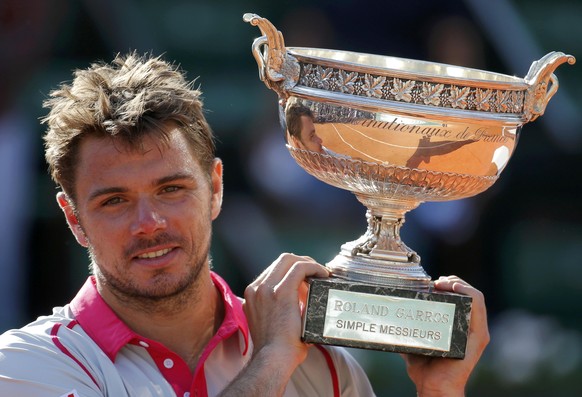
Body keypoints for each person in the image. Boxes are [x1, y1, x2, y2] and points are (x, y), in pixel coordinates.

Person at [0, 52, 489, 396]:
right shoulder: (25, 367)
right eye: (114, 201)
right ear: (74, 219)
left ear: (215, 188)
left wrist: (441, 391)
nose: (148, 223)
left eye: (172, 189)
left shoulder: (325, 371)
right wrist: (272, 361)